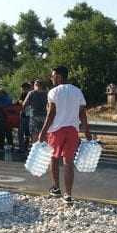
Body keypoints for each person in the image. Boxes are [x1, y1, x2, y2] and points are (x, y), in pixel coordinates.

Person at [39, 66, 91, 205]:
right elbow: (83, 114)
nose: (51, 78)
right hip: (72, 131)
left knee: (54, 159)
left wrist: (43, 132)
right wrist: (87, 131)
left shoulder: (53, 92)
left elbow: (51, 114)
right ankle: (68, 195)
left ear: (60, 76)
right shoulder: (77, 91)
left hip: (56, 130)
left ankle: (56, 188)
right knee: (68, 162)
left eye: (53, 75)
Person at [23, 79, 48, 144]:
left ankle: (35, 150)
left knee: (34, 135)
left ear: (35, 85)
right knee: (44, 135)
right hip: (44, 117)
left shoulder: (31, 93)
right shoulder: (47, 93)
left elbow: (24, 104)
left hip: (34, 116)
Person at [17, 82, 32, 153]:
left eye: (23, 88)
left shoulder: (30, 94)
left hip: (27, 115)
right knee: (27, 133)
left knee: (22, 132)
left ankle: (23, 148)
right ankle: (25, 147)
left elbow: (22, 103)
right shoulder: (24, 94)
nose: (22, 89)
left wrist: (21, 102)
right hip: (27, 115)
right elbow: (19, 101)